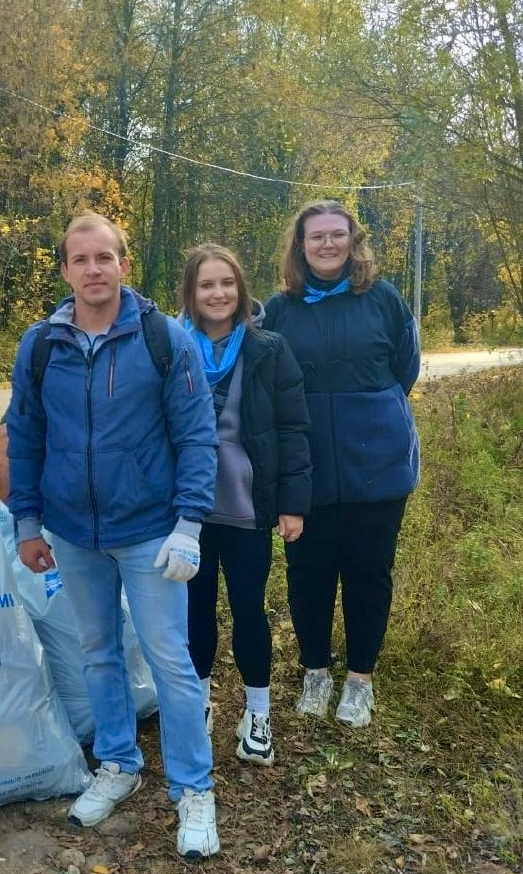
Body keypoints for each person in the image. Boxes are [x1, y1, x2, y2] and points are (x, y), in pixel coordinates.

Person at [6, 211, 221, 859]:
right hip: (73, 534)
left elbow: (195, 435)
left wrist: (188, 523)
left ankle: (193, 791)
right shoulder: (41, 345)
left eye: (105, 257)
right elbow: (24, 435)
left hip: (149, 531)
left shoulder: (163, 339)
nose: (93, 269)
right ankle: (118, 764)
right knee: (97, 651)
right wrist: (26, 520)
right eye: (81, 259)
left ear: (124, 263)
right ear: (65, 269)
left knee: (169, 660)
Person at [263, 199, 420, 727]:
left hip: (376, 466)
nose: (327, 244)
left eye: (337, 235)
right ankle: (315, 672)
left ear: (354, 242)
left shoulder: (384, 300)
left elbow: (406, 368)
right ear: (300, 246)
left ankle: (359, 680)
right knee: (307, 572)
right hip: (305, 467)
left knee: (367, 573)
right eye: (316, 237)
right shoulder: (280, 309)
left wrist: (370, 415)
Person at [179, 244, 311, 767]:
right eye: (206, 285)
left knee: (249, 610)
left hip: (247, 504)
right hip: (186, 509)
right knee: (194, 610)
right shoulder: (171, 347)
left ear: (241, 290)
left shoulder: (269, 348)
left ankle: (258, 714)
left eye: (226, 283)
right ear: (191, 294)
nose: (218, 294)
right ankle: (198, 704)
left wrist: (293, 503)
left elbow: (293, 428)